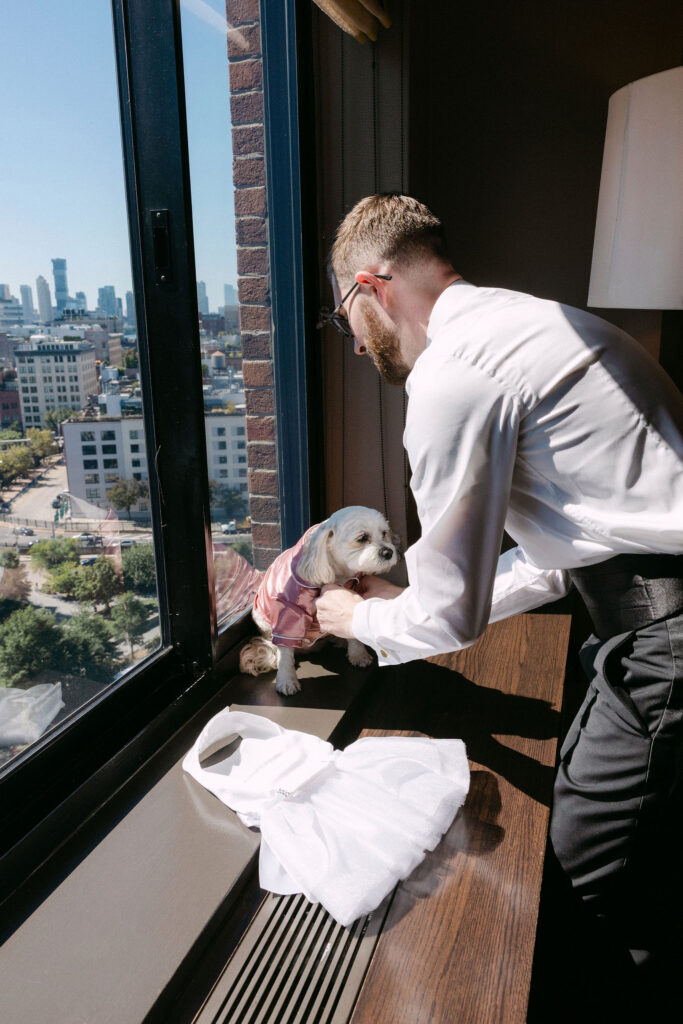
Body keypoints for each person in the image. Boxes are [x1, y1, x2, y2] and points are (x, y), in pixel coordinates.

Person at [314, 193, 683, 991]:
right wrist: (405, 603)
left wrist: (361, 617)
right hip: (636, 618)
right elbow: (563, 557)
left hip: (665, 637)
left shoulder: (454, 376)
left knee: (594, 864)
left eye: (342, 311)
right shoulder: (533, 325)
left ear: (372, 288)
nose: (350, 342)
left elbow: (448, 618)